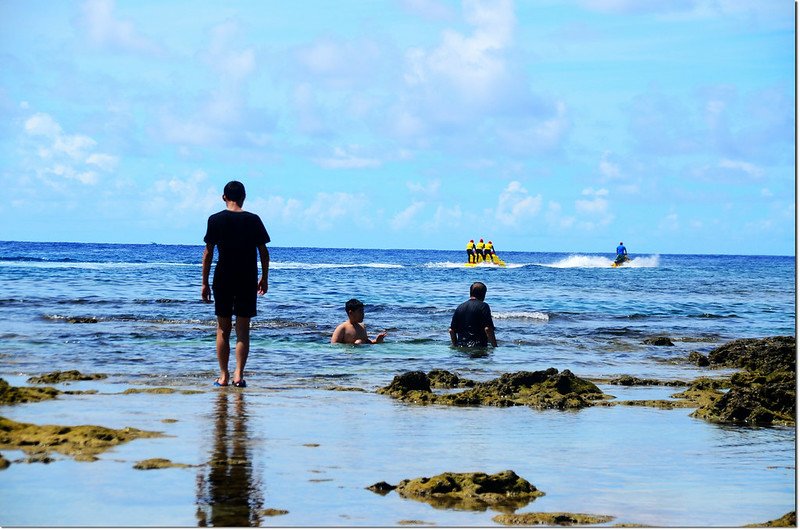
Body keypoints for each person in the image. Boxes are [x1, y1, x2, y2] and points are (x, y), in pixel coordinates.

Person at [202, 181, 270, 388]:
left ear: (224, 197)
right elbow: (264, 253)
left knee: (223, 329)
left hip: (223, 276)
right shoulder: (253, 220)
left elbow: (208, 253)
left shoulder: (215, 220)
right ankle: (238, 375)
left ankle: (223, 376)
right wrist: (264, 277)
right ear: (244, 197)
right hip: (246, 277)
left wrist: (204, 282)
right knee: (243, 329)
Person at [449, 281, 497, 348]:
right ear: (483, 294)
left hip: (462, 347)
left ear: (470, 293)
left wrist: (455, 345)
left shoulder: (460, 307)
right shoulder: (483, 306)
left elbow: (451, 330)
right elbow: (488, 329)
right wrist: (495, 346)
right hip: (478, 346)